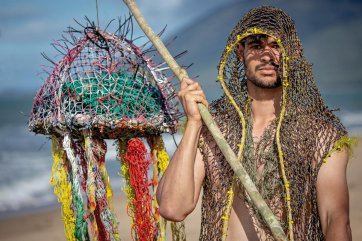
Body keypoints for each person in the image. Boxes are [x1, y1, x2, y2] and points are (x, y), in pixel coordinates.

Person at [156, 6, 353, 241]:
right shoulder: (215, 129)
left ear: (294, 52)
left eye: (277, 45)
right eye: (257, 46)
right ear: (240, 51)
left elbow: (336, 219)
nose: (267, 56)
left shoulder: (320, 135)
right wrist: (194, 123)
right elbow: (172, 208)